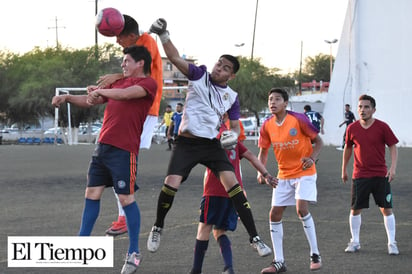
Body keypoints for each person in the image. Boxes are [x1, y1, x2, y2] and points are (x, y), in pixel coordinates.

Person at [146, 18, 272, 257]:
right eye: (219, 64)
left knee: (234, 187)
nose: (219, 68)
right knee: (170, 184)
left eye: (225, 68)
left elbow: (235, 127)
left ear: (231, 76)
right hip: (187, 143)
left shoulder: (231, 97)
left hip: (212, 145)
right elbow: (174, 58)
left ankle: (255, 238)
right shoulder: (199, 75)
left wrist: (230, 137)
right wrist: (164, 35)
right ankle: (158, 226)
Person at [52, 45, 157, 274]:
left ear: (140, 63)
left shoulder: (148, 84)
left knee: (126, 198)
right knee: (91, 194)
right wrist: (68, 97)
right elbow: (90, 100)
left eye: (126, 61)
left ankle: (133, 253)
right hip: (103, 148)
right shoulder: (116, 83)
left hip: (124, 151)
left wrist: (102, 91)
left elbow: (127, 95)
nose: (122, 65)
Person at [97, 15, 164, 236]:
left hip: (142, 111)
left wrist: (116, 76)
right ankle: (125, 208)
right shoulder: (139, 44)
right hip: (136, 111)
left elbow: (141, 73)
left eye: (119, 36)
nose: (117, 41)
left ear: (132, 36)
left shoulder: (146, 43)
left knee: (120, 161)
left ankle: (125, 216)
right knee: (119, 162)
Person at [190, 123, 276, 274]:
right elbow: (250, 156)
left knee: (204, 229)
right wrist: (266, 174)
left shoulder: (212, 136)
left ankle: (195, 270)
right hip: (235, 192)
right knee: (219, 232)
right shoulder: (232, 137)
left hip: (215, 190)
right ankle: (228, 268)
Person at [258, 88, 323, 273]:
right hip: (283, 175)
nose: (273, 102)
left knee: (301, 209)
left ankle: (315, 254)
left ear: (285, 103)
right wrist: (262, 173)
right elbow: (263, 151)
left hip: (305, 172)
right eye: (270, 99)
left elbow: (318, 142)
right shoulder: (267, 125)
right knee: (274, 214)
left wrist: (312, 158)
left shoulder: (298, 119)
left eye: (277, 99)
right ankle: (279, 261)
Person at [341, 94, 399, 255]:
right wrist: (344, 169)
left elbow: (393, 146)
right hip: (360, 175)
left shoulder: (382, 127)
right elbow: (348, 148)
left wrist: (392, 168)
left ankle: (392, 243)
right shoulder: (352, 128)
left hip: (380, 175)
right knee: (355, 209)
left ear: (373, 110)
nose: (362, 110)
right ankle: (355, 241)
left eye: (366, 107)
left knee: (386, 209)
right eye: (360, 107)